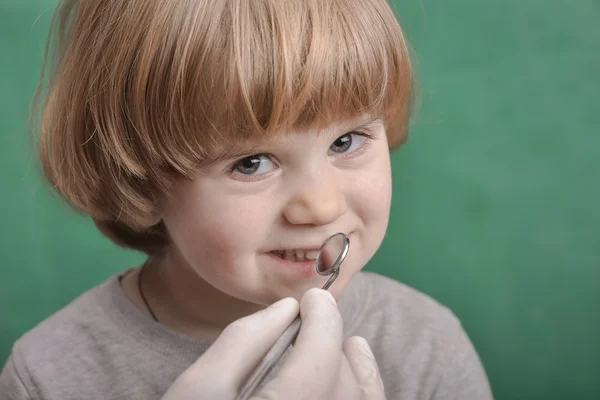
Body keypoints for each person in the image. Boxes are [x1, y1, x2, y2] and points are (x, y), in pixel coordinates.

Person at [0, 0, 494, 399]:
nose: (321, 207)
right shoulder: (48, 376)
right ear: (143, 182)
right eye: (251, 163)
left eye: (346, 142)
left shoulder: (424, 342)